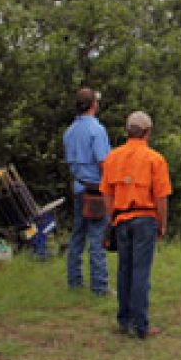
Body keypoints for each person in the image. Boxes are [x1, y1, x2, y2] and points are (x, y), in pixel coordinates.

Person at [100, 111, 172, 339]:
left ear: (127, 131)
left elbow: (106, 194)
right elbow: (161, 197)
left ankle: (124, 320)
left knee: (124, 270)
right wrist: (162, 224)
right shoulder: (155, 159)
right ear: (148, 132)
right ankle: (141, 325)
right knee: (141, 272)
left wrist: (113, 218)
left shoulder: (113, 157)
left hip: (121, 219)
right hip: (145, 219)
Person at [62, 87, 112, 295]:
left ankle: (74, 281)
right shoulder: (96, 129)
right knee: (98, 238)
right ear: (93, 104)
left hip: (79, 187)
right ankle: (99, 286)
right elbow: (103, 162)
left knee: (77, 236)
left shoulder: (70, 130)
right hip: (96, 190)